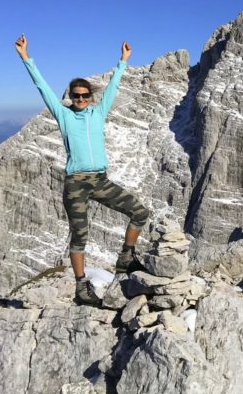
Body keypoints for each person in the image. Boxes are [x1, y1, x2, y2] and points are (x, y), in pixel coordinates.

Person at [15, 34, 150, 306]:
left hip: (100, 180)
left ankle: (126, 257)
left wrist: (123, 61)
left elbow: (113, 87)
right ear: (71, 97)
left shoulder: (97, 113)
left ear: (90, 97)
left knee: (139, 212)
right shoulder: (64, 115)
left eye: (84, 95)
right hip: (76, 183)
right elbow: (42, 88)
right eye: (76, 95)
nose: (80, 99)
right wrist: (25, 58)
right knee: (80, 236)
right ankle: (81, 287)